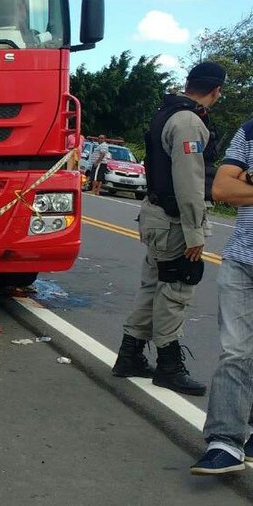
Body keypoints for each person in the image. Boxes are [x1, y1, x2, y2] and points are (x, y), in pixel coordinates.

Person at [111, 61, 226, 395]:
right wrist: (195, 232)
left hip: (157, 216)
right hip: (176, 221)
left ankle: (129, 355)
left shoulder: (166, 112)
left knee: (152, 287)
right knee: (175, 291)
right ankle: (169, 366)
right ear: (216, 90)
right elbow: (189, 181)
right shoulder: (189, 121)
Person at [190, 115, 253, 475]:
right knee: (237, 352)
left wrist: (247, 178)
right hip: (242, 259)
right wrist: (238, 181)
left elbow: (237, 185)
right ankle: (225, 442)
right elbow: (222, 190)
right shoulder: (250, 129)